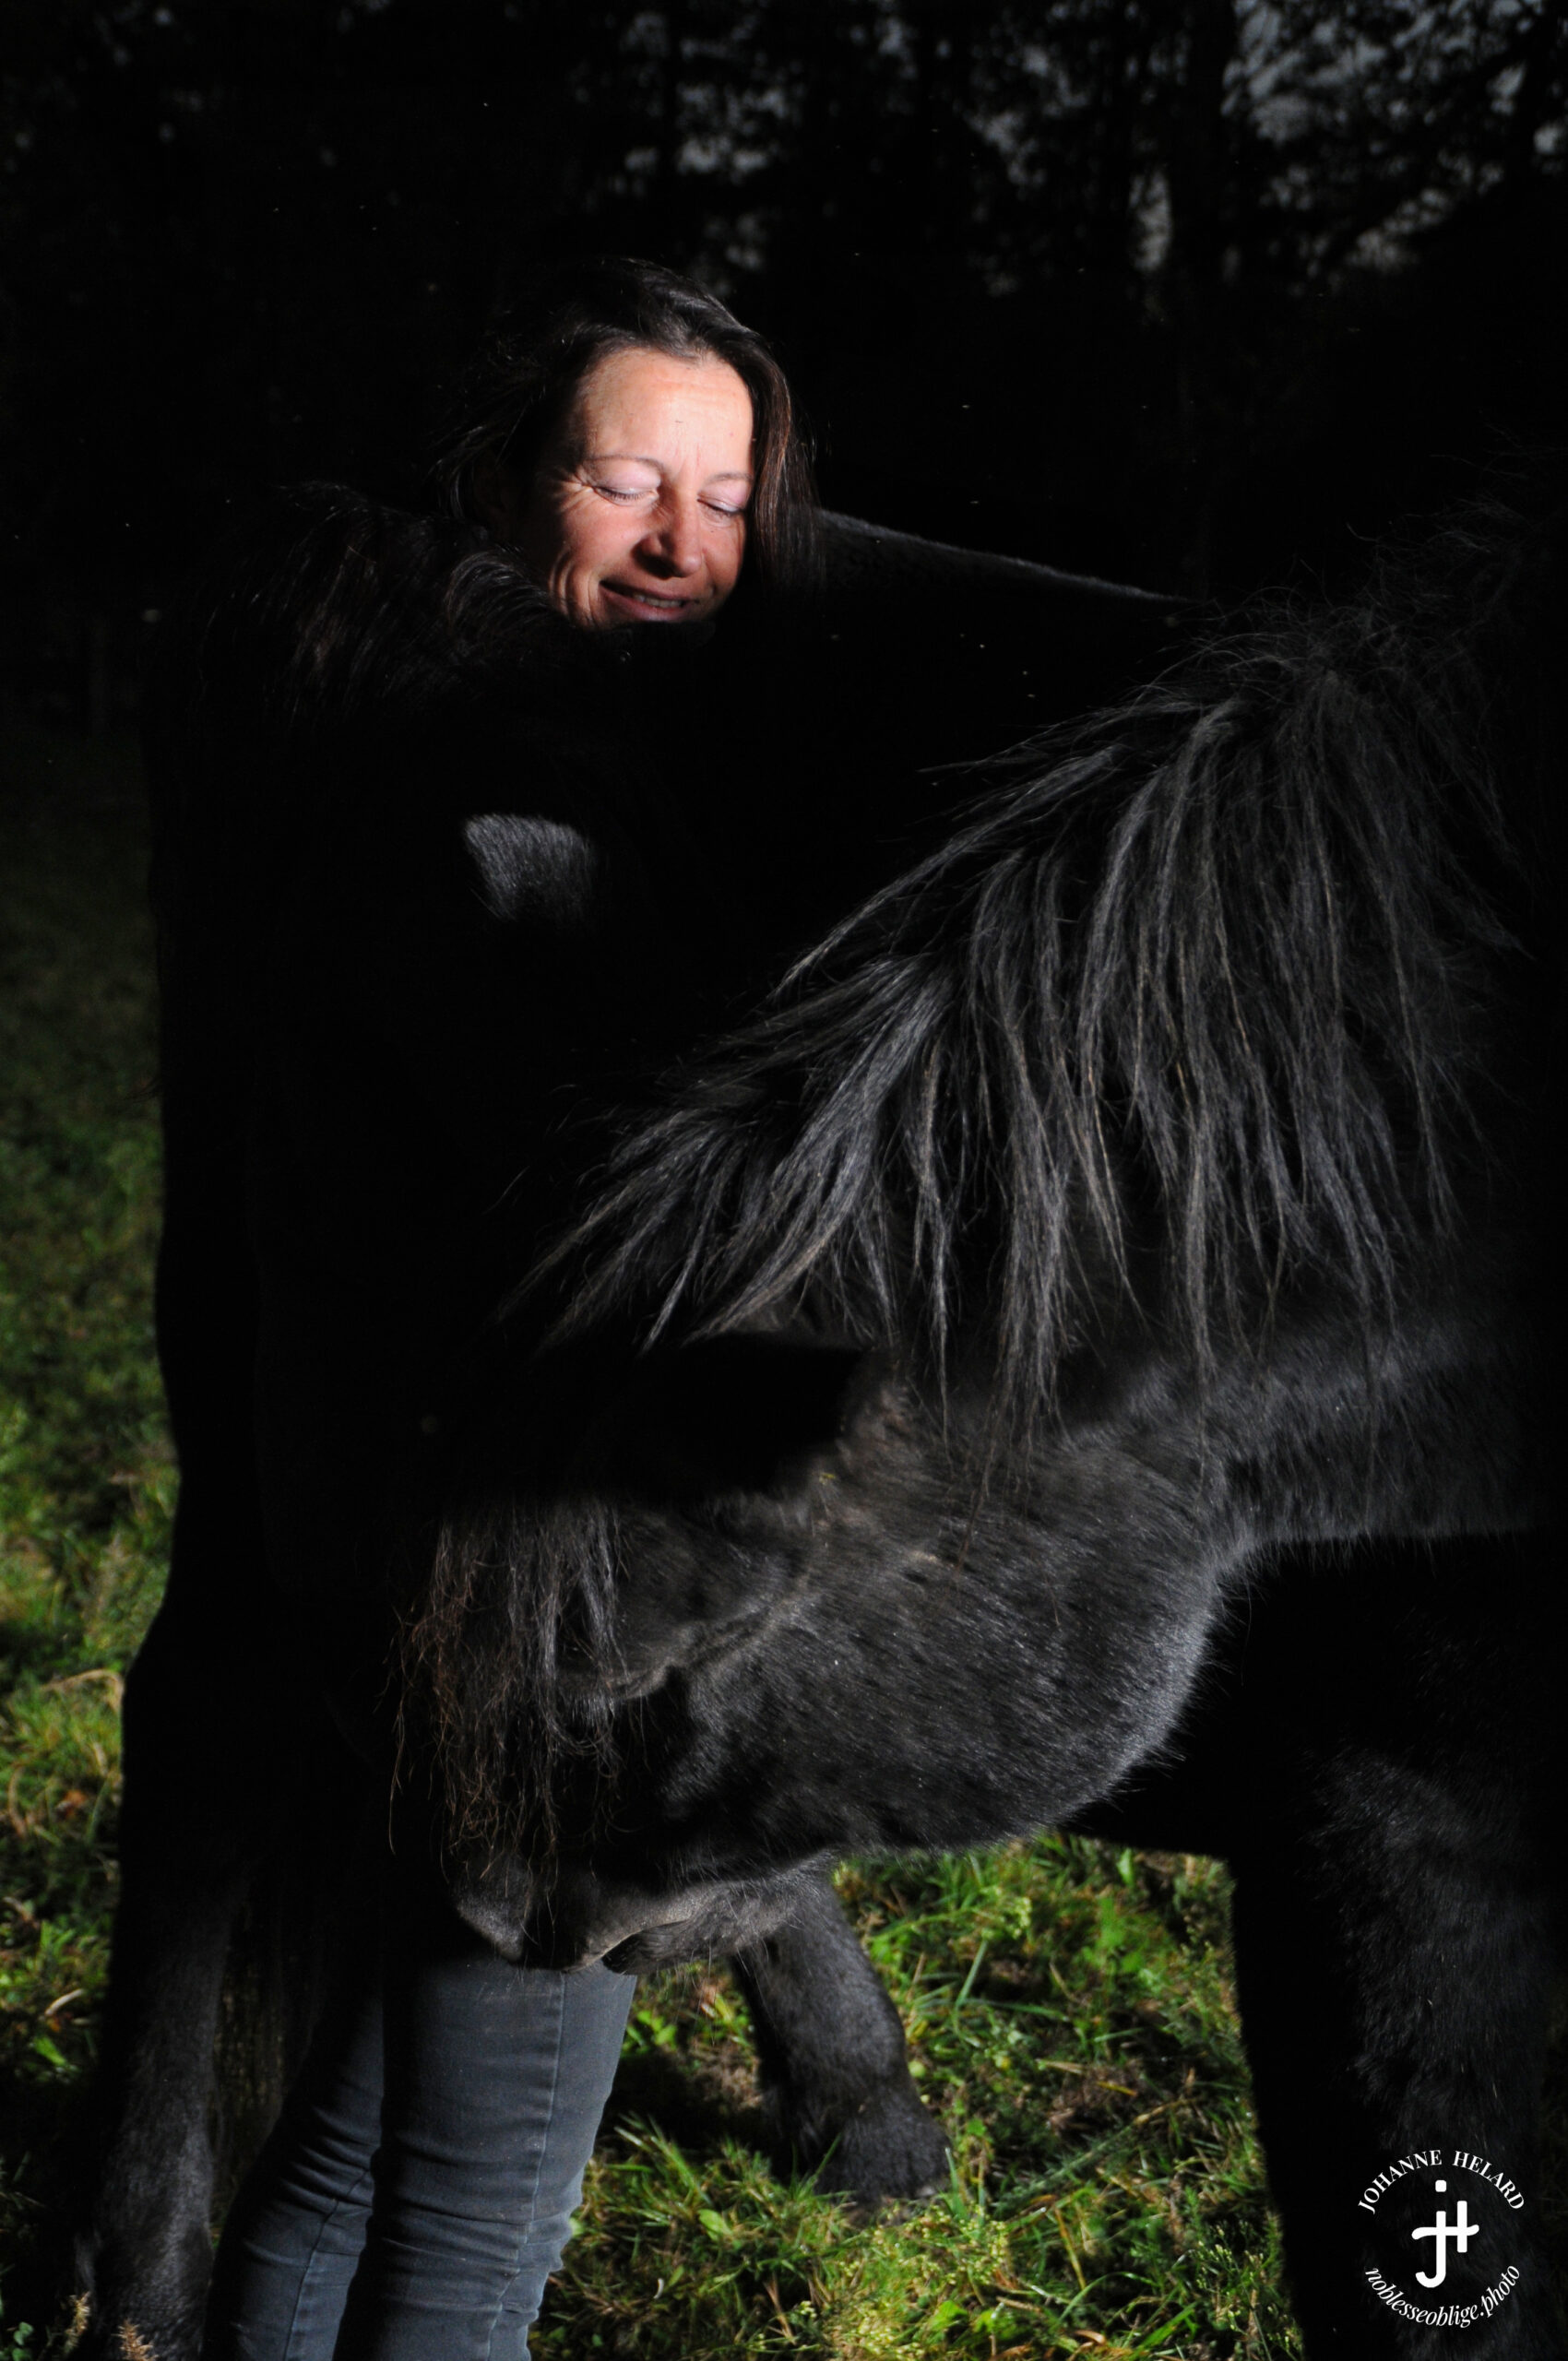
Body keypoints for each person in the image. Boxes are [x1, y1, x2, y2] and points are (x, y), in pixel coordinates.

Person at [198, 258, 821, 2361]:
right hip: (532, 1615)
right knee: (476, 2228)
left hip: (412, 1570)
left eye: (727, 498)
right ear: (500, 486)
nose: (680, 543)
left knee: (360, 2141)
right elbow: (607, 1230)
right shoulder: (503, 809)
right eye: (627, 481)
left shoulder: (465, 737)